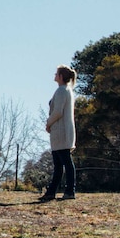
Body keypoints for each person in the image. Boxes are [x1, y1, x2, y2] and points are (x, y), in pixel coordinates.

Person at [39, 64, 77, 202]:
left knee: (64, 161)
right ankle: (52, 191)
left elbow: (57, 112)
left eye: (56, 73)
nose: (54, 76)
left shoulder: (62, 91)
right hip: (62, 131)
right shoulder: (67, 90)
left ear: (61, 76)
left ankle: (69, 190)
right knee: (59, 163)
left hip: (61, 131)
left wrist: (49, 122)